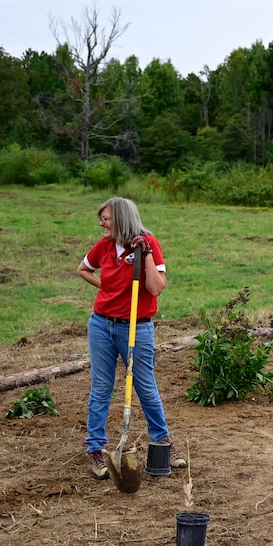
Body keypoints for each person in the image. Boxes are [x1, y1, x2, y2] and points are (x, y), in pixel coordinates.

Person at [76, 197, 186, 480]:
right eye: (100, 219)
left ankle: (163, 443)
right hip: (101, 325)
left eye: (106, 219)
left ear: (123, 219)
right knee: (101, 387)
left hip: (137, 327)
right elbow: (83, 269)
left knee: (145, 386)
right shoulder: (103, 246)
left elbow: (156, 287)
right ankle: (95, 451)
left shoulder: (147, 243)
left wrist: (145, 253)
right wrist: (107, 288)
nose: (101, 224)